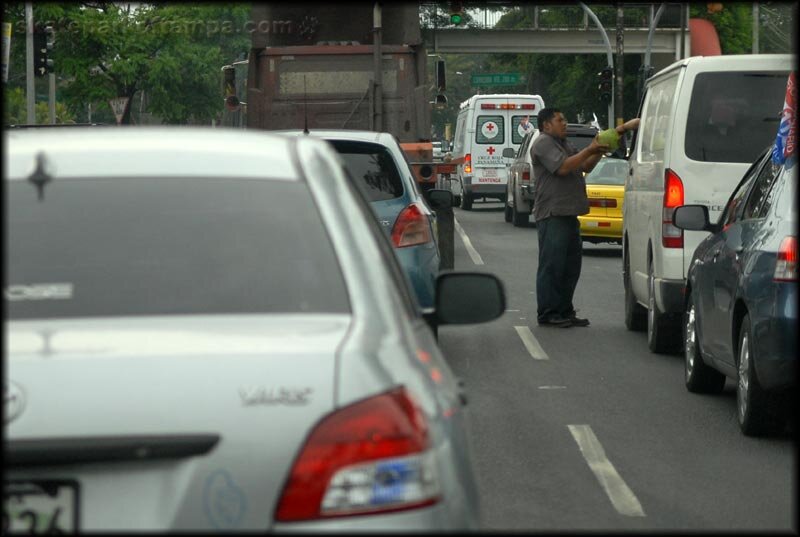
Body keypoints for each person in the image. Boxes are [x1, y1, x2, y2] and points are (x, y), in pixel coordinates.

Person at [531, 108, 640, 327]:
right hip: (553, 213)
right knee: (552, 265)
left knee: (571, 266)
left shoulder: (563, 144)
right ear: (546, 125)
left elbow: (584, 166)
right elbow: (562, 168)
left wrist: (600, 149)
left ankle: (564, 310)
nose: (565, 123)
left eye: (565, 118)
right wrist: (590, 148)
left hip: (569, 212)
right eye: (560, 120)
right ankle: (549, 312)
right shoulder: (543, 143)